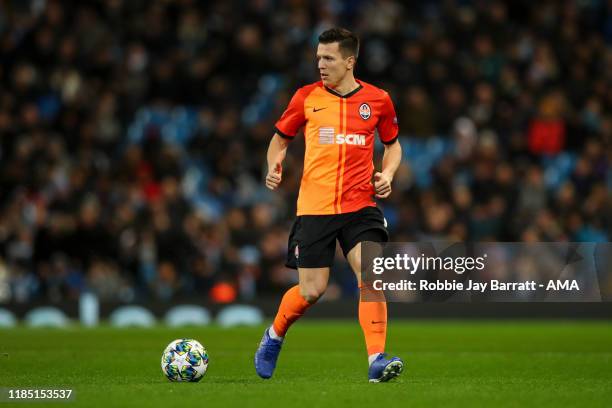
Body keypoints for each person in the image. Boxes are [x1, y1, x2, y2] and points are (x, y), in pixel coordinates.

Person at [254, 28, 403, 382]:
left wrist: (388, 173)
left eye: (329, 58)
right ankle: (274, 335)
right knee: (312, 291)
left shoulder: (378, 100)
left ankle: (376, 360)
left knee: (370, 276)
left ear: (350, 61)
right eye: (319, 57)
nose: (321, 64)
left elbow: (393, 145)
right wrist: (274, 163)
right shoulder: (306, 97)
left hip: (360, 206)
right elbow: (279, 140)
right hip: (315, 208)